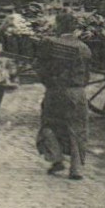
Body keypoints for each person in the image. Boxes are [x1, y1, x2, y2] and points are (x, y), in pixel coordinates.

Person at [36, 28, 92, 180]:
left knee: (48, 124)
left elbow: (42, 69)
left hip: (55, 91)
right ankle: (76, 168)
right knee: (77, 129)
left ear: (59, 25)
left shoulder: (51, 46)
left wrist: (50, 84)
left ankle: (56, 158)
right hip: (76, 92)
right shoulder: (84, 48)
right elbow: (87, 75)